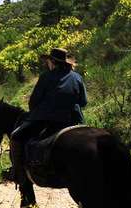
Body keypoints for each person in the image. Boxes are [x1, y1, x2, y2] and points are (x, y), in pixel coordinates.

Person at [8, 47, 88, 184]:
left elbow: (33, 102)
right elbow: (83, 102)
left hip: (47, 120)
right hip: (74, 120)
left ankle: (18, 173)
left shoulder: (46, 77)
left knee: (16, 136)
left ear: (52, 62)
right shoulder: (77, 77)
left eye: (48, 61)